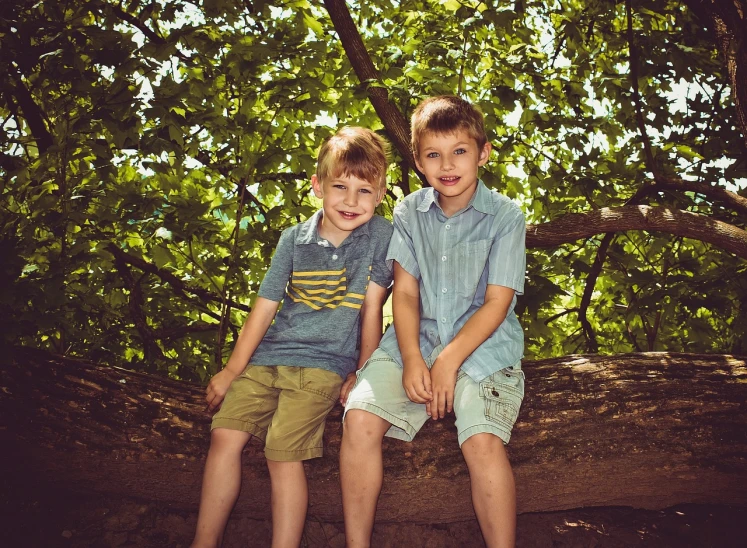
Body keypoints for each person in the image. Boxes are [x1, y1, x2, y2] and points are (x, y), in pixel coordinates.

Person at [191, 127, 393, 548]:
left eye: (364, 190)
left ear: (381, 193)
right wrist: (232, 369)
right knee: (224, 435)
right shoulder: (294, 239)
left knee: (281, 451)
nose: (351, 201)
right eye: (340, 186)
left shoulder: (380, 237)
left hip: (323, 365)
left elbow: (372, 309)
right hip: (269, 358)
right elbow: (265, 307)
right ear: (318, 186)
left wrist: (363, 372)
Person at [341, 96, 526, 548]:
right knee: (359, 417)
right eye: (433, 154)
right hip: (414, 340)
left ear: (482, 153)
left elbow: (497, 302)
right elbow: (403, 293)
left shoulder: (505, 216)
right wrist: (410, 358)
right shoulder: (409, 213)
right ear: (419, 161)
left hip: (481, 348)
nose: (447, 164)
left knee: (481, 438)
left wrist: (447, 362)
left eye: (460, 151)